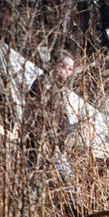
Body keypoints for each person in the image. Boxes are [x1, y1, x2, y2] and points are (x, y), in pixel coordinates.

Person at [23, 50, 76, 192]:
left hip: (46, 141)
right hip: (43, 141)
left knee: (36, 180)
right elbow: (38, 116)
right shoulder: (45, 86)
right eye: (69, 69)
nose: (70, 74)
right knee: (68, 179)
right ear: (60, 66)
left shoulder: (54, 86)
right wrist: (44, 140)